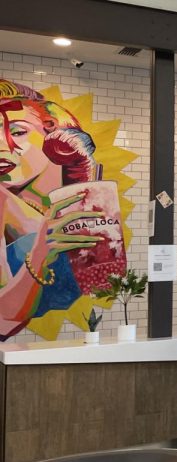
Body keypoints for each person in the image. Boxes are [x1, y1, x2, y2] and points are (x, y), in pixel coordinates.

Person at [1, 80, 106, 338]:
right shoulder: (3, 203)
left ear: (53, 134)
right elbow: (3, 319)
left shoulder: (89, 199)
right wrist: (39, 253)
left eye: (17, 132)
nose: (3, 147)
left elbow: (103, 278)